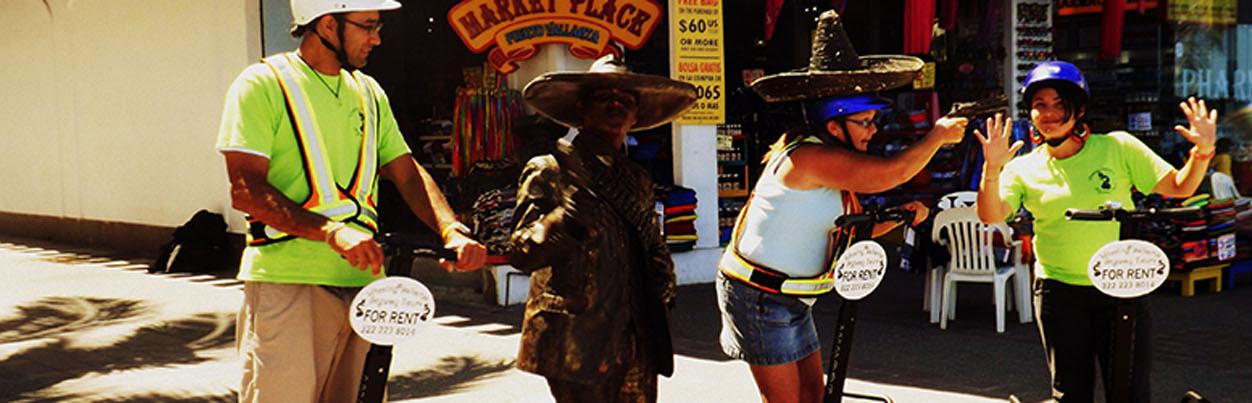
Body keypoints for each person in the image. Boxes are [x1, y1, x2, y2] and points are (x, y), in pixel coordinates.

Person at [217, 1, 491, 401]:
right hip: (289, 279)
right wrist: (331, 232)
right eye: (367, 26)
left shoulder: (368, 92)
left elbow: (407, 171)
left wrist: (451, 229)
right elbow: (246, 189)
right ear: (328, 25)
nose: (377, 39)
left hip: (365, 284)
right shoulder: (262, 84)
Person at [718, 10, 967, 403]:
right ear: (834, 127)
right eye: (865, 122)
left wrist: (901, 218)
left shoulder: (833, 169)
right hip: (760, 296)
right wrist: (937, 135)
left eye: (873, 121)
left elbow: (848, 229)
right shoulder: (809, 159)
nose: (873, 130)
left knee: (816, 395)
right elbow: (892, 173)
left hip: (793, 295)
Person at [974, 61, 1218, 402]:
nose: (1050, 113)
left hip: (1123, 288)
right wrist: (992, 170)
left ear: (1080, 108)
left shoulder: (1118, 148)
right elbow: (990, 215)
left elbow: (1180, 187)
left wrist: (1202, 153)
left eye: (1060, 103)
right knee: (1070, 394)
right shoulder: (1023, 168)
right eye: (1040, 105)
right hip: (1059, 291)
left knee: (1130, 393)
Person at [508, 54, 697, 402]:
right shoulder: (550, 168)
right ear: (582, 109)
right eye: (604, 97)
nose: (616, 104)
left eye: (626, 100)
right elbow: (521, 252)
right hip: (576, 337)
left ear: (636, 115)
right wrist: (563, 217)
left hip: (636, 335)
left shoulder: (637, 179)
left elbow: (652, 246)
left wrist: (662, 291)